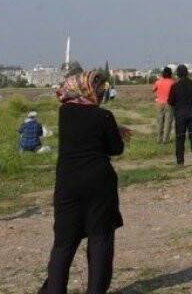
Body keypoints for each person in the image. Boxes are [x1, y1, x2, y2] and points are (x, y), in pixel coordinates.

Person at [39, 71, 131, 294]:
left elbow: (82, 132)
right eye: (99, 89)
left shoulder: (65, 112)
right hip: (99, 182)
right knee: (100, 238)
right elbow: (115, 149)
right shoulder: (104, 116)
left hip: (68, 182)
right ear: (90, 90)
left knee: (64, 243)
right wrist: (115, 132)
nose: (100, 93)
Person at [167, 64, 192, 166]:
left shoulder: (174, 86)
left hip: (180, 115)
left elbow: (170, 101)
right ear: (187, 73)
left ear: (178, 74)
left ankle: (180, 161)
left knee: (180, 137)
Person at [152, 67, 176, 144]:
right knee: (168, 122)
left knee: (160, 122)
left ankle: (159, 139)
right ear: (170, 74)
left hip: (159, 104)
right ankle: (165, 139)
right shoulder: (173, 82)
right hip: (169, 104)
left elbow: (153, 90)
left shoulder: (158, 81)